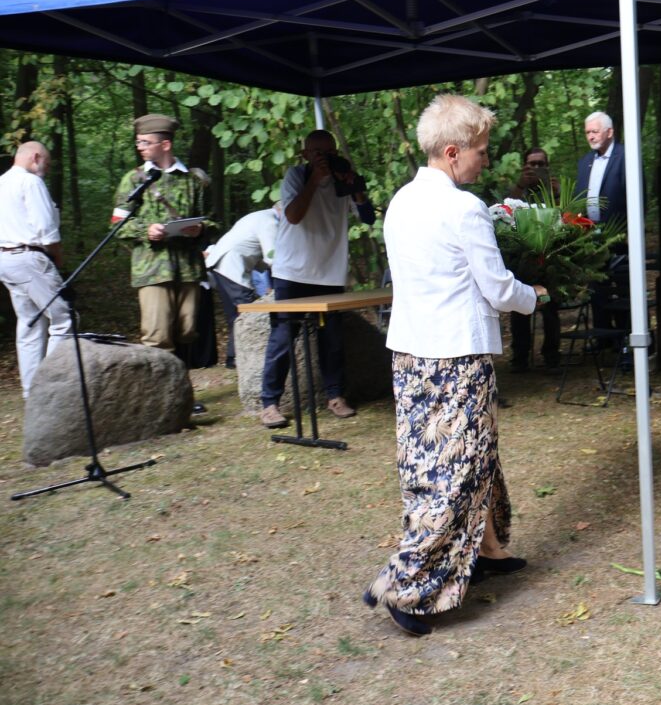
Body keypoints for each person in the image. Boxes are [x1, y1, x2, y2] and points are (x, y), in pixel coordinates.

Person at [364, 94, 548, 637]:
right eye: (481, 152)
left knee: (455, 457)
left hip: (410, 354)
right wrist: (533, 294)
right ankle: (407, 589)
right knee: (453, 472)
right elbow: (495, 287)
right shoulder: (463, 208)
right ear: (452, 152)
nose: (486, 161)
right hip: (456, 357)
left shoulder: (399, 201)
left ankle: (487, 551)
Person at [259, 130, 375, 428]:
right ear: (305, 154)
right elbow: (294, 216)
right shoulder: (295, 176)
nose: (324, 158)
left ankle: (335, 396)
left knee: (332, 338)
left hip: (329, 271)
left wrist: (354, 186)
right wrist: (315, 179)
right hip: (292, 272)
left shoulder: (342, 177)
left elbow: (368, 217)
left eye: (329, 152)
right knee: (284, 336)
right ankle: (269, 403)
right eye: (317, 152)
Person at [112, 113, 216, 355]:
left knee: (188, 331)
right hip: (152, 269)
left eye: (145, 142)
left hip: (188, 268)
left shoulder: (193, 181)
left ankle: (179, 386)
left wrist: (201, 229)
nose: (140, 147)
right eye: (138, 142)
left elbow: (213, 220)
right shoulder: (133, 179)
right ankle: (160, 391)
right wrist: (145, 230)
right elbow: (117, 224)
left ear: (165, 144)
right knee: (157, 336)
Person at [0, 141, 70, 398]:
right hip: (30, 257)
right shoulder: (31, 182)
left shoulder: (2, 183)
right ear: (36, 157)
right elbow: (46, 229)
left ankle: (32, 392)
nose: (46, 170)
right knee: (64, 318)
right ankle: (50, 387)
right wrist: (57, 259)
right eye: (47, 164)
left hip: (5, 260)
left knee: (30, 324)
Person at [205, 203, 280, 369]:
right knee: (248, 312)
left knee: (236, 315)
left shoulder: (258, 216)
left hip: (220, 263)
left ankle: (233, 358)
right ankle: (246, 358)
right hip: (232, 266)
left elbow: (255, 251)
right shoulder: (270, 221)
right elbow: (273, 257)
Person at [575, 111, 628, 335]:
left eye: (595, 131)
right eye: (587, 132)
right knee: (597, 289)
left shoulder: (626, 156)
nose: (591, 136)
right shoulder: (585, 162)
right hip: (591, 237)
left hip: (620, 237)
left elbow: (636, 197)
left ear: (609, 132)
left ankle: (626, 340)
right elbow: (578, 198)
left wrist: (628, 233)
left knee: (623, 290)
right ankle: (603, 337)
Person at [510, 147, 561, 370]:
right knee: (520, 308)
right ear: (525, 165)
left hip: (548, 258)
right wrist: (521, 185)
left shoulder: (554, 188)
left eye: (541, 164)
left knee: (550, 308)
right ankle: (520, 356)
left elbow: (565, 216)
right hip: (522, 259)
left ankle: (551, 355)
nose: (537, 168)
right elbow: (504, 210)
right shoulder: (518, 187)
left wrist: (556, 193)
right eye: (532, 164)